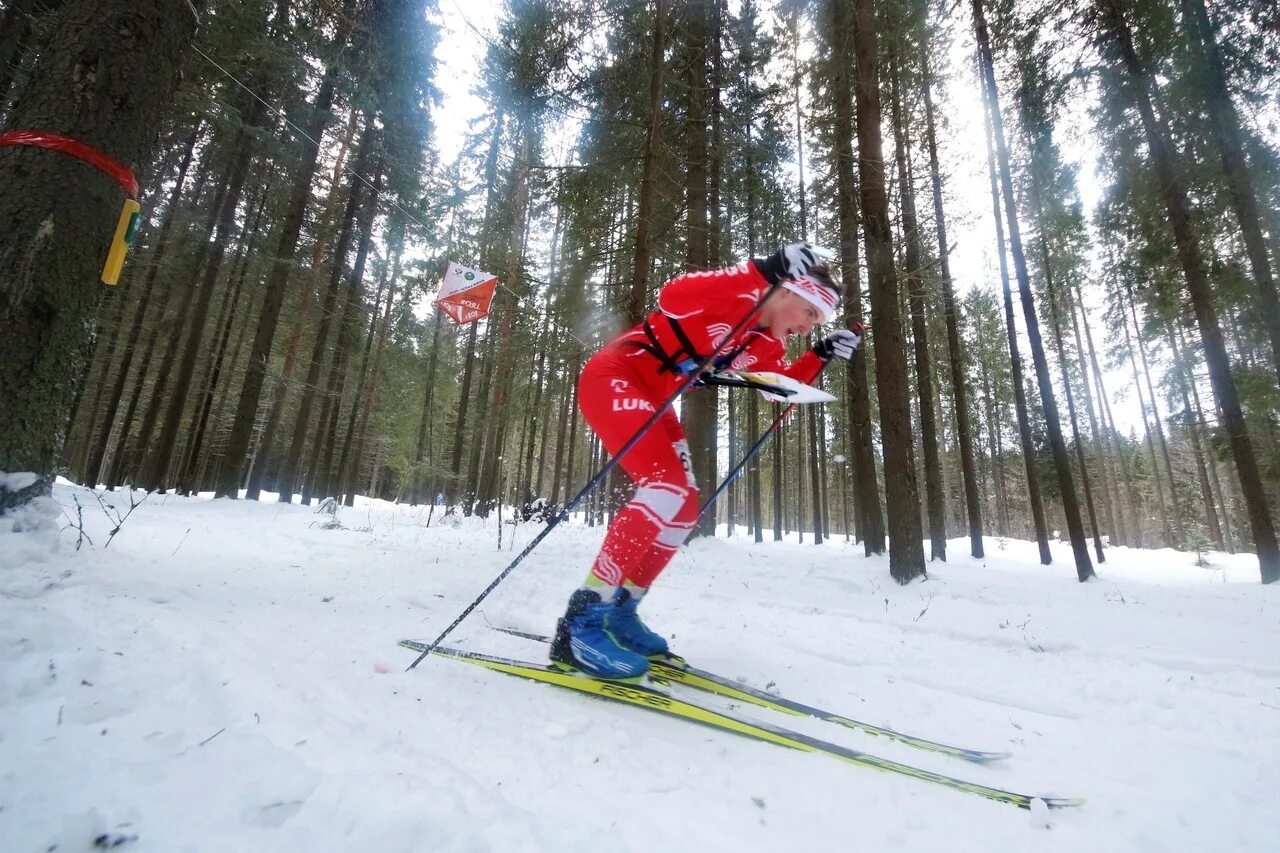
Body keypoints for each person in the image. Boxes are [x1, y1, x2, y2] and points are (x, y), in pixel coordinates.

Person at [550, 243, 864, 679]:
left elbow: (779, 386)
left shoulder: (767, 342)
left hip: (657, 399)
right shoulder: (738, 295)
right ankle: (582, 622)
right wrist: (763, 270)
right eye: (810, 314)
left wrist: (821, 353)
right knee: (664, 487)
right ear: (788, 291)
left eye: (818, 324)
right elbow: (674, 295)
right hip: (616, 375)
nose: (808, 327)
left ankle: (621, 611)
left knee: (684, 507)